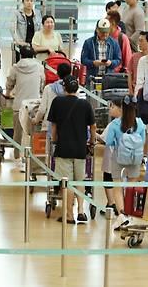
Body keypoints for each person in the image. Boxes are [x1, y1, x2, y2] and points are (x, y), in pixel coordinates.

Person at [48, 76, 96, 224]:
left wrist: (54, 140)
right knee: (80, 180)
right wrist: (91, 141)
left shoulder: (57, 102)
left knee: (66, 182)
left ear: (64, 88)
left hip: (63, 148)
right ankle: (81, 211)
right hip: (80, 149)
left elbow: (54, 126)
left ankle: (69, 215)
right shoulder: (85, 104)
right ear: (78, 89)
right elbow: (92, 126)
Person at [105, 95, 146, 230]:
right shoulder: (140, 123)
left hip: (119, 157)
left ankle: (121, 216)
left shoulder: (115, 124)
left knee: (118, 187)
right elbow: (143, 140)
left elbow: (109, 142)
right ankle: (130, 215)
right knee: (131, 187)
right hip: (135, 158)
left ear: (122, 107)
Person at [5, 45, 45, 155]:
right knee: (33, 133)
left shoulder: (15, 68)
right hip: (34, 105)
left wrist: (8, 93)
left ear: (21, 55)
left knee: (18, 133)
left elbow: (9, 83)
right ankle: (31, 156)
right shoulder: (39, 67)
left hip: (19, 105)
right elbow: (42, 83)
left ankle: (17, 155)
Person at [81, 18, 121, 84]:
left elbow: (118, 60)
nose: (105, 34)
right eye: (102, 32)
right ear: (97, 30)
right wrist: (93, 63)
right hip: (92, 78)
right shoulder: (88, 42)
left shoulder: (114, 43)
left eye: (107, 32)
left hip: (108, 79)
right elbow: (83, 60)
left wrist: (110, 63)